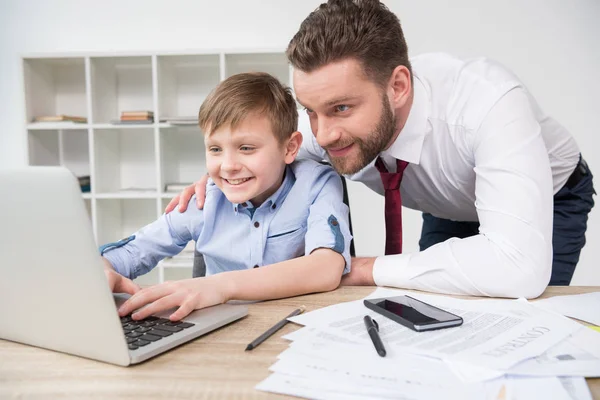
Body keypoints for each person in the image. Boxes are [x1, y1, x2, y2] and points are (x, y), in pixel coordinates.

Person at [166, 0, 595, 298]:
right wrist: (225, 176)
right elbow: (262, 154)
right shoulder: (314, 130)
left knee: (516, 310)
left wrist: (367, 268)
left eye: (342, 108)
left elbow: (517, 266)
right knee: (439, 314)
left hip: (553, 196)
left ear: (398, 86)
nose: (324, 133)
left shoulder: (488, 103)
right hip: (447, 203)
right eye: (310, 111)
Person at [101, 72, 352, 321]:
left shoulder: (317, 184)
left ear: (289, 148)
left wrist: (219, 286)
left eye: (246, 148)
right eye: (215, 149)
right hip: (222, 335)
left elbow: (327, 267)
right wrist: (103, 268)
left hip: (297, 326)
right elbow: (132, 252)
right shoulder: (204, 199)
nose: (228, 166)